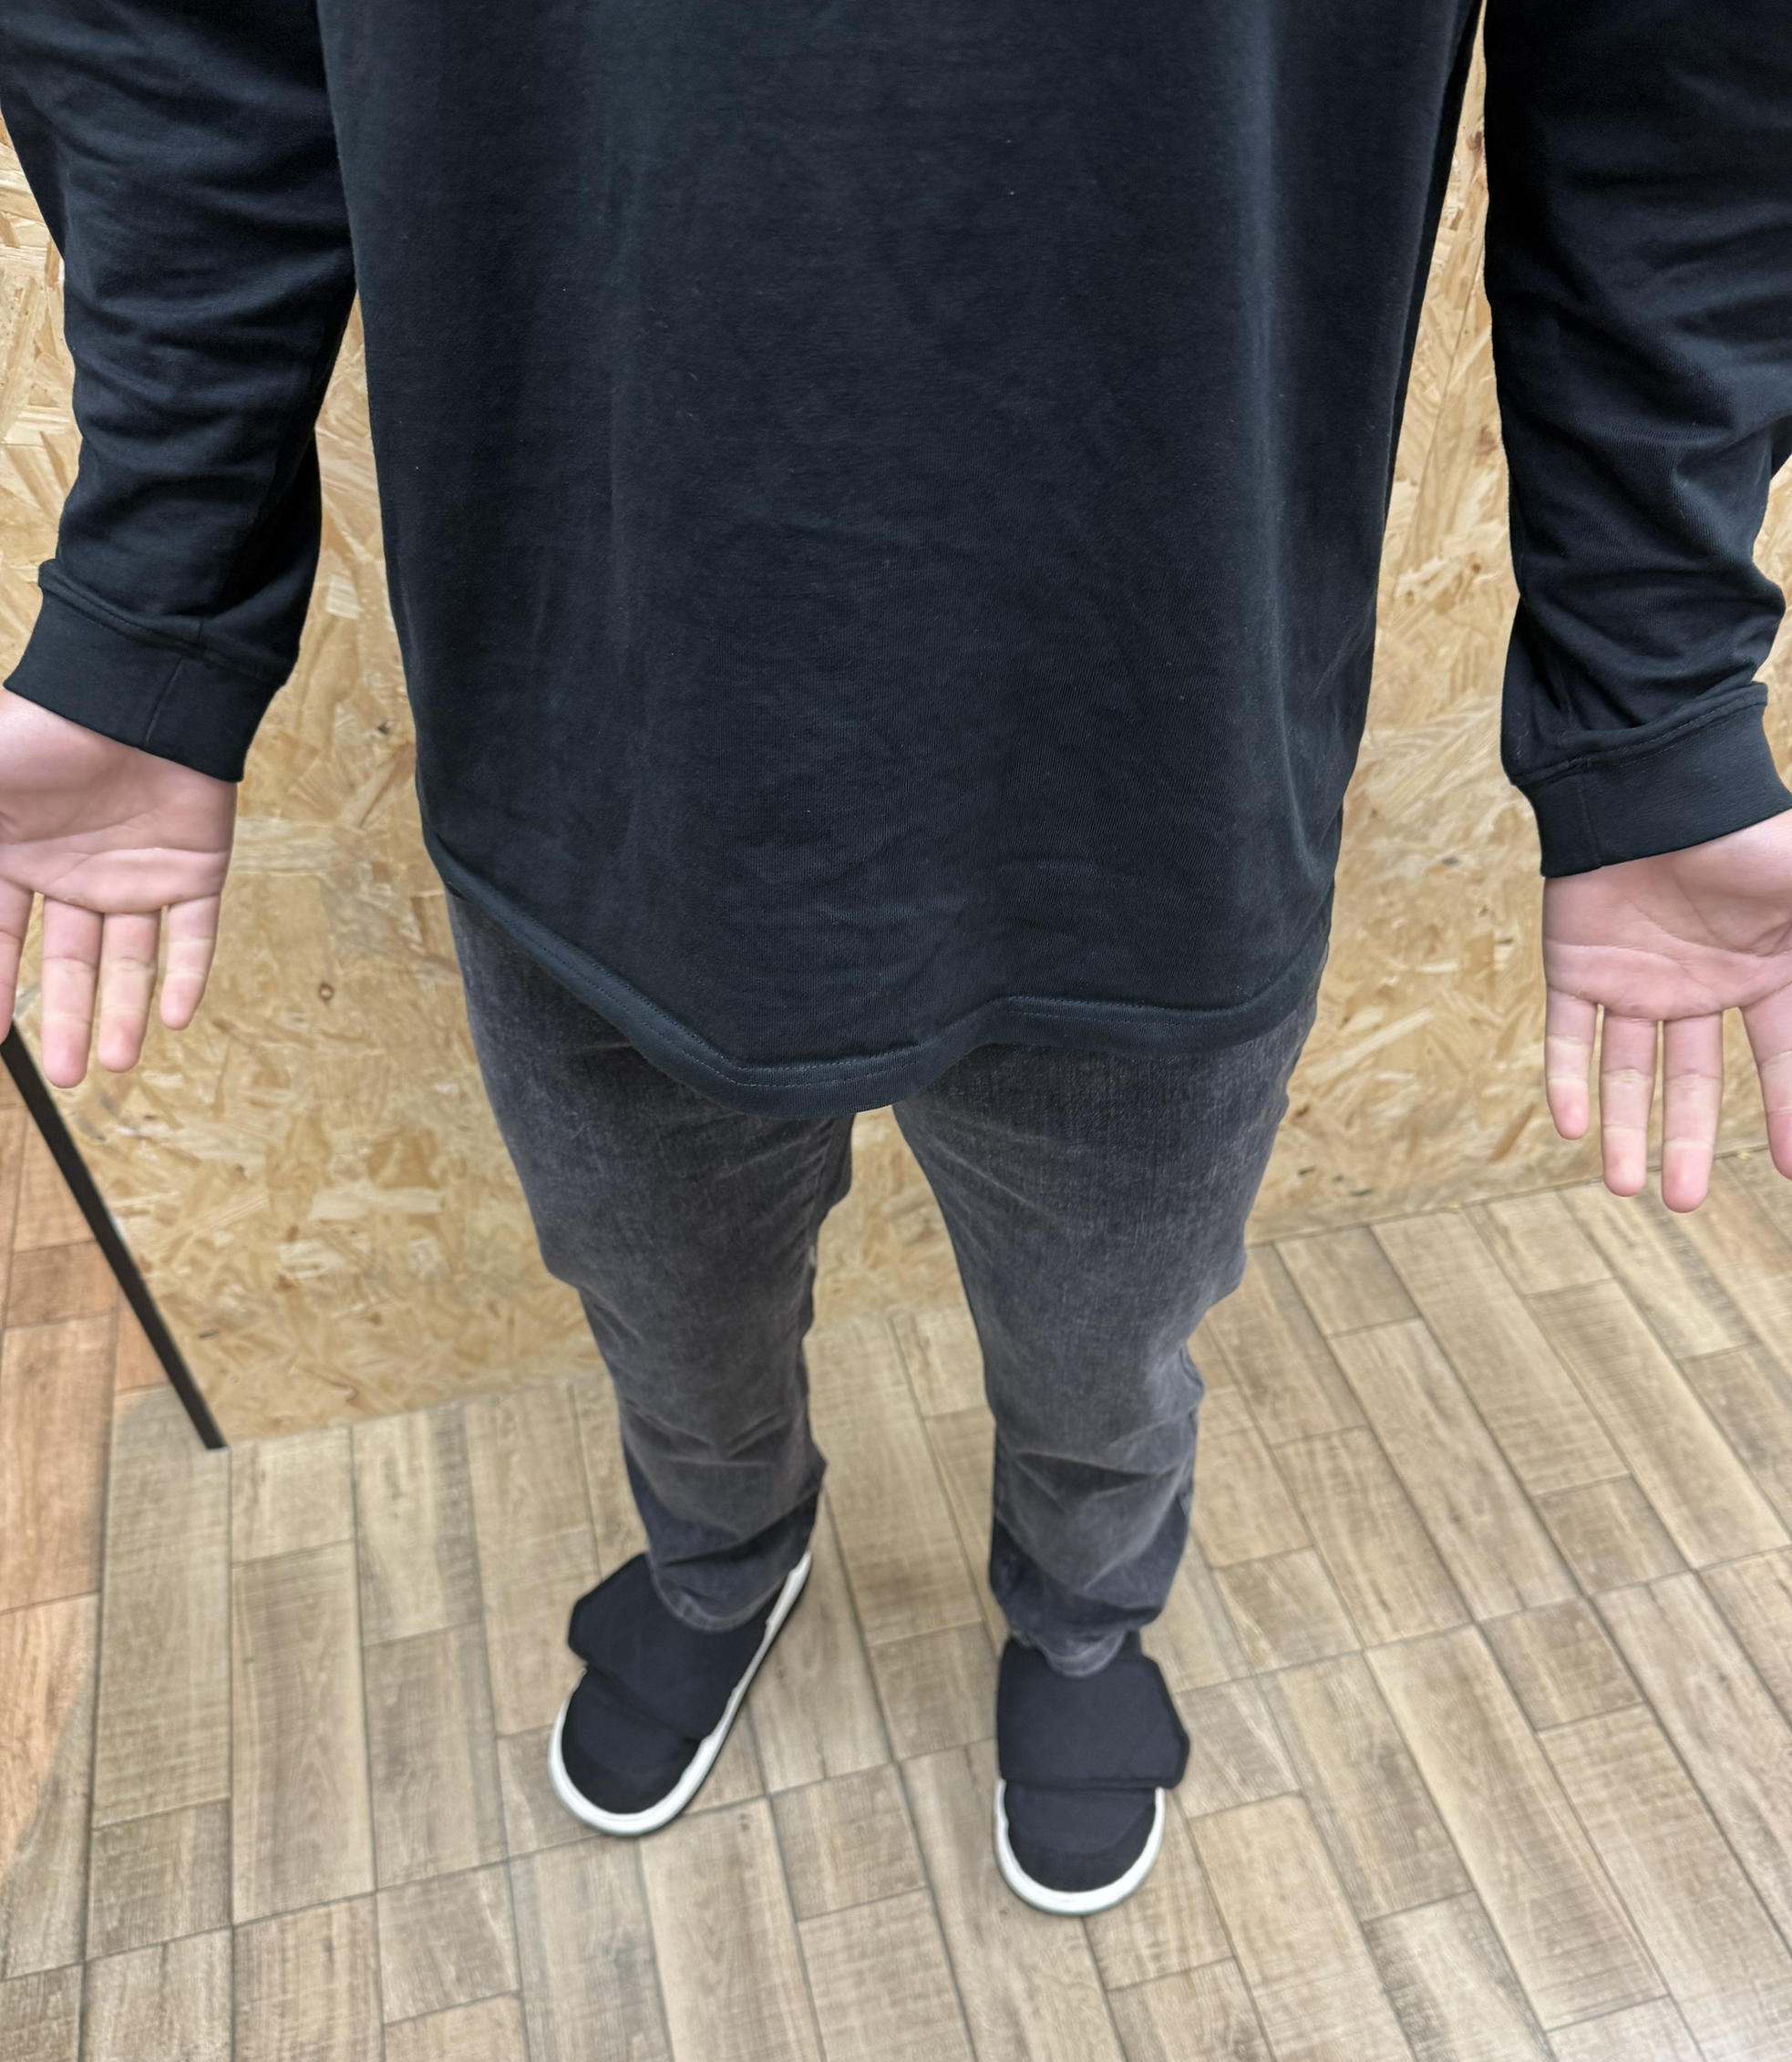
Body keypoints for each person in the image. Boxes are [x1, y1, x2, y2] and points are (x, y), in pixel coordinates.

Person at [0, 1, 1787, 1913]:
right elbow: (168, 39)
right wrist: (155, 593)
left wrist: (1652, 700)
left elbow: (1684, 79)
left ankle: (1083, 1618)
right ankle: (721, 1559)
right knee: (659, 1296)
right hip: (605, 716)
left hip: (1153, 731)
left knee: (1107, 1343)